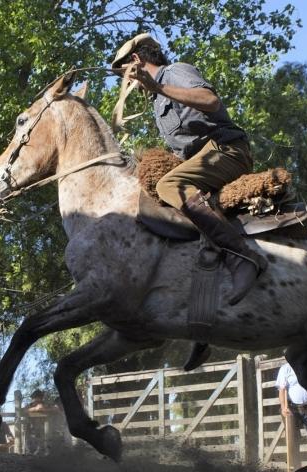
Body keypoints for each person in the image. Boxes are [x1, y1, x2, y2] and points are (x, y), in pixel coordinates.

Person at [111, 33, 266, 305]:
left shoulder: (173, 73)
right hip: (202, 162)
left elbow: (210, 101)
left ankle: (243, 257)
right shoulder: (157, 105)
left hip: (226, 150)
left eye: (125, 74)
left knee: (169, 186)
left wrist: (158, 88)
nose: (128, 84)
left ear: (136, 60)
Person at [276, 363, 307, 459]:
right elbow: (281, 390)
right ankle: (296, 468)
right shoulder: (286, 368)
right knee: (292, 439)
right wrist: (283, 407)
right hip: (291, 408)